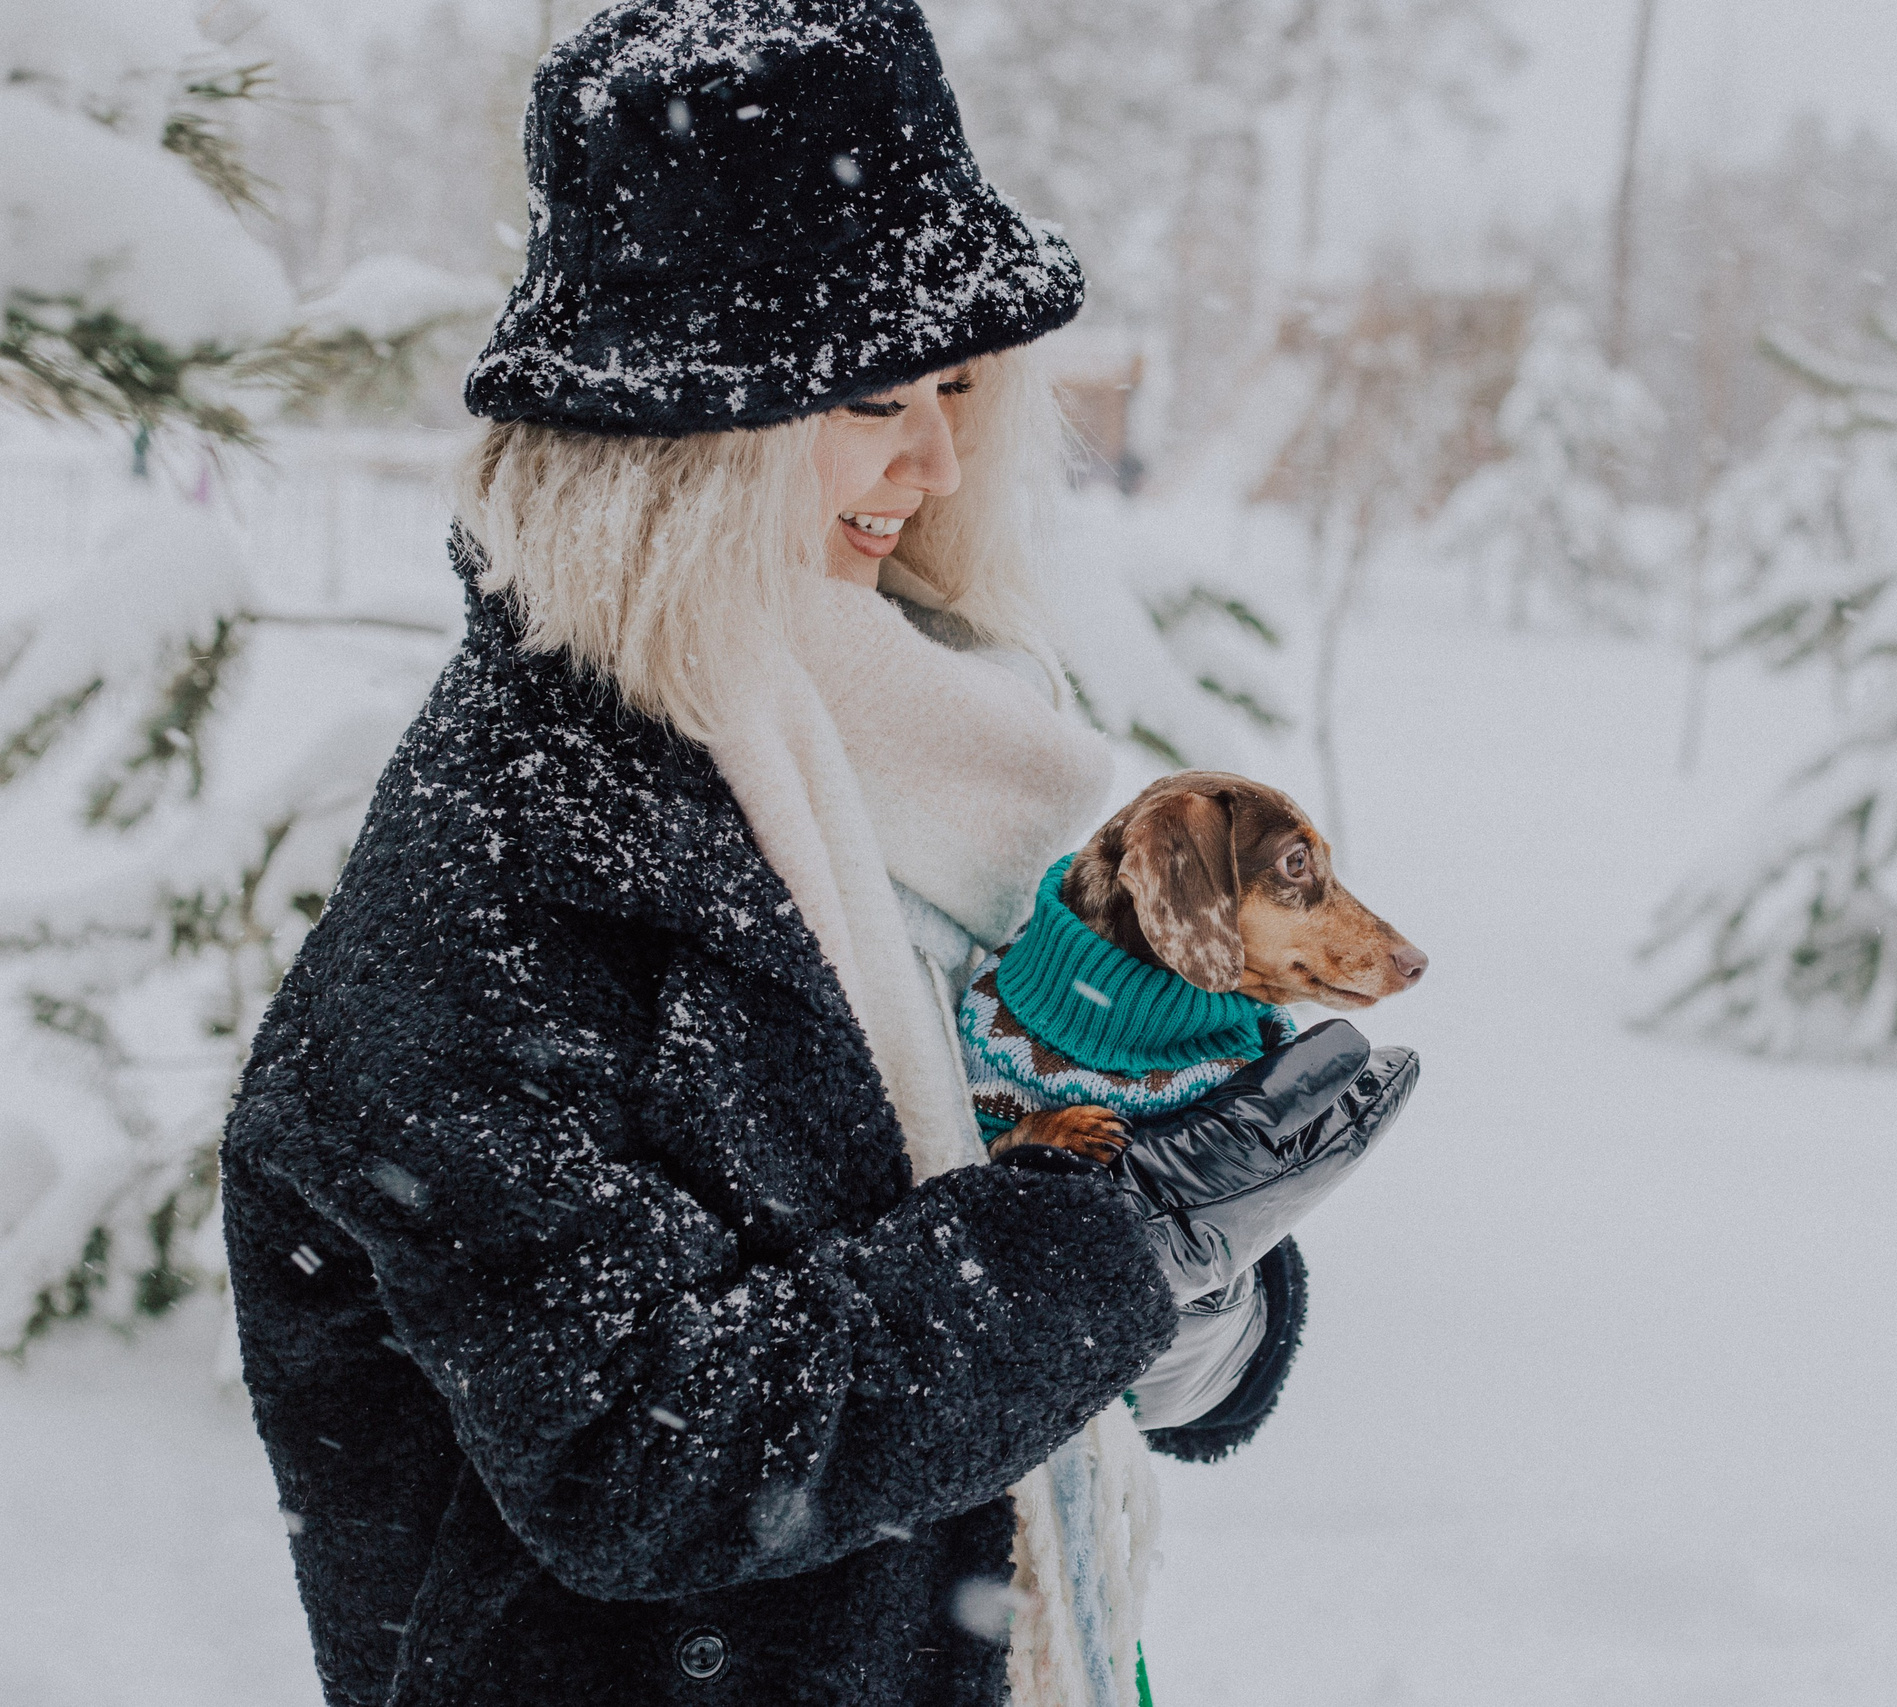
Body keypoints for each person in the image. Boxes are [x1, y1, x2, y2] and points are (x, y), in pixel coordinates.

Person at [217, 4, 1415, 1704]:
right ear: (688, 435)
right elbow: (651, 1453)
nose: (932, 465)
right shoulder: (496, 882)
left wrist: (1195, 1297)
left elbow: (1015, 1228)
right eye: (870, 400)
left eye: (956, 393)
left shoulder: (930, 762)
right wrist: (1118, 1243)